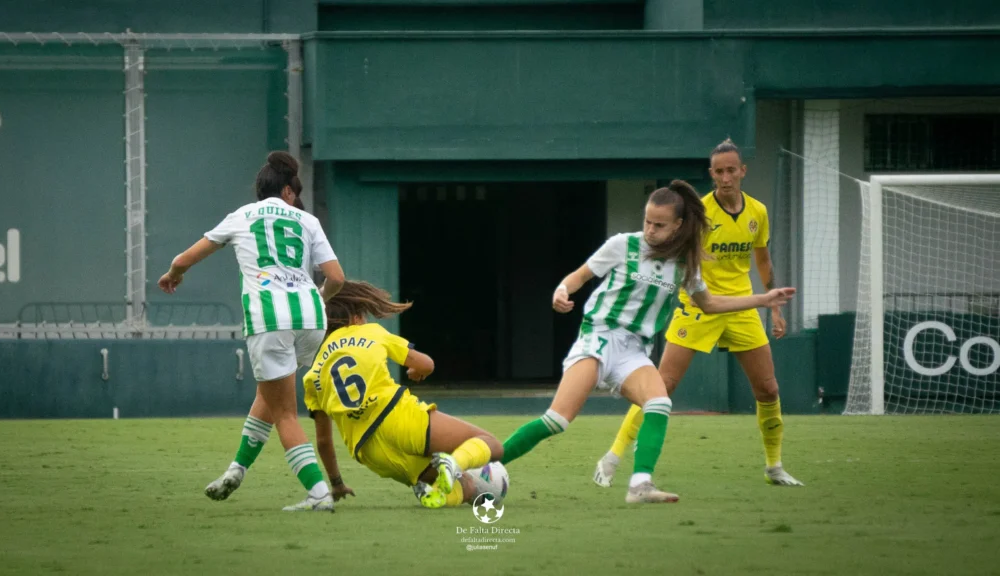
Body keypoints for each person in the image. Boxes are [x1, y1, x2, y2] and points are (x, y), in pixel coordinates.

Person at [499, 180, 796, 504]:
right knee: (556, 421)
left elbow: (710, 304)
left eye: (659, 224)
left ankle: (640, 484)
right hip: (600, 337)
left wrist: (763, 299)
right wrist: (561, 290)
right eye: (647, 222)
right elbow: (580, 276)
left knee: (659, 402)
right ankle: (484, 464)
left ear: (678, 226)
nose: (651, 230)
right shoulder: (622, 245)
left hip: (633, 351)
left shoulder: (685, 265)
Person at [593, 139, 804, 489]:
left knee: (767, 389)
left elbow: (762, 260)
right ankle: (613, 456)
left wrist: (774, 306)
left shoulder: (758, 212)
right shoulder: (697, 215)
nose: (725, 177)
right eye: (718, 171)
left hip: (742, 307)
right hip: (698, 307)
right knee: (661, 387)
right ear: (711, 174)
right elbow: (666, 250)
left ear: (742, 171)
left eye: (731, 170)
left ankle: (774, 466)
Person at [157, 151, 346, 512]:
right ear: (288, 191)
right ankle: (236, 471)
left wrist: (173, 275)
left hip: (269, 320)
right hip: (311, 319)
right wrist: (319, 298)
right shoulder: (307, 220)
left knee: (285, 414)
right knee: (271, 398)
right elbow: (336, 278)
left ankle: (319, 493)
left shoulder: (241, 216)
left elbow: (183, 260)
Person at [303, 280, 506, 509]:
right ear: (356, 316)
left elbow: (323, 441)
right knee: (492, 444)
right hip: (398, 417)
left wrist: (337, 483)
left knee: (465, 487)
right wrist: (416, 371)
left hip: (369, 452)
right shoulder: (371, 332)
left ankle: (440, 495)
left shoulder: (313, 374)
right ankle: (455, 462)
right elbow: (427, 364)